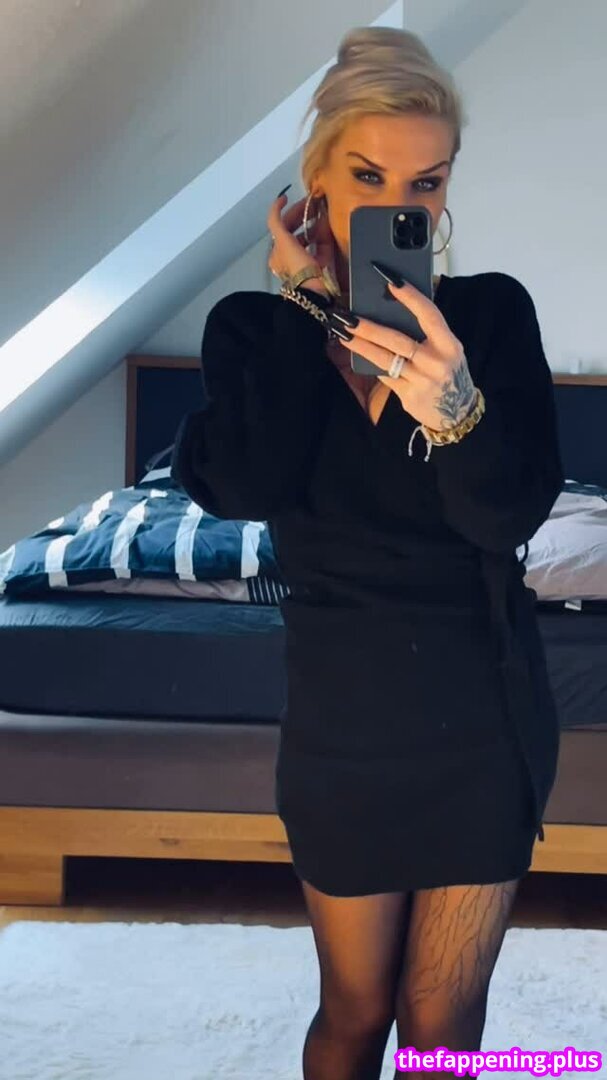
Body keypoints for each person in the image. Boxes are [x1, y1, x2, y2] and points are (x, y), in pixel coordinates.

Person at [172, 26, 565, 1080]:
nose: (400, 203)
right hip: (341, 728)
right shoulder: (256, 330)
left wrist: (456, 407)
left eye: (424, 182)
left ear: (447, 187)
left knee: (441, 1024)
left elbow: (506, 518)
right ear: (315, 178)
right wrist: (305, 306)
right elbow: (242, 484)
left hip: (481, 722)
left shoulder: (488, 317)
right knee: (351, 1013)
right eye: (367, 175)